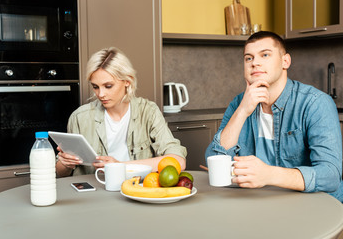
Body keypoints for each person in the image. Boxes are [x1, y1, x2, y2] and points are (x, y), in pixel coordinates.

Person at [205, 31, 343, 202]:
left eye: (265, 55)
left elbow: (330, 175)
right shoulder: (239, 103)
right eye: (249, 58)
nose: (255, 62)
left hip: (315, 205)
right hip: (262, 203)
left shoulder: (316, 103)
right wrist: (242, 111)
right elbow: (214, 162)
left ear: (285, 61)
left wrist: (268, 174)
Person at [56, 47, 187, 177]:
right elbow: (59, 174)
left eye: (108, 86)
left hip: (137, 188)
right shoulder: (79, 117)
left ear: (127, 82)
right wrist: (65, 163)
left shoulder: (148, 112)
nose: (101, 94)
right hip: (94, 193)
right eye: (95, 87)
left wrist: (120, 166)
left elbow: (178, 161)